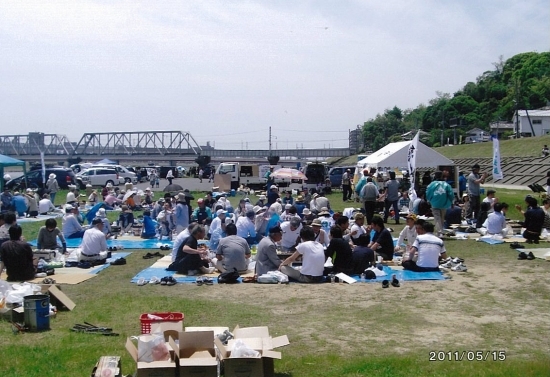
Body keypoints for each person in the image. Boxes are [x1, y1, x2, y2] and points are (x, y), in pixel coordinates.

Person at [426, 171, 454, 236]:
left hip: (434, 203)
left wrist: (429, 200)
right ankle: (440, 231)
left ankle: (440, 232)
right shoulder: (446, 184)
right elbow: (450, 194)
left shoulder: (431, 184)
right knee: (442, 218)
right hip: (444, 203)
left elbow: (428, 192)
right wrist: (452, 202)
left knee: (437, 218)